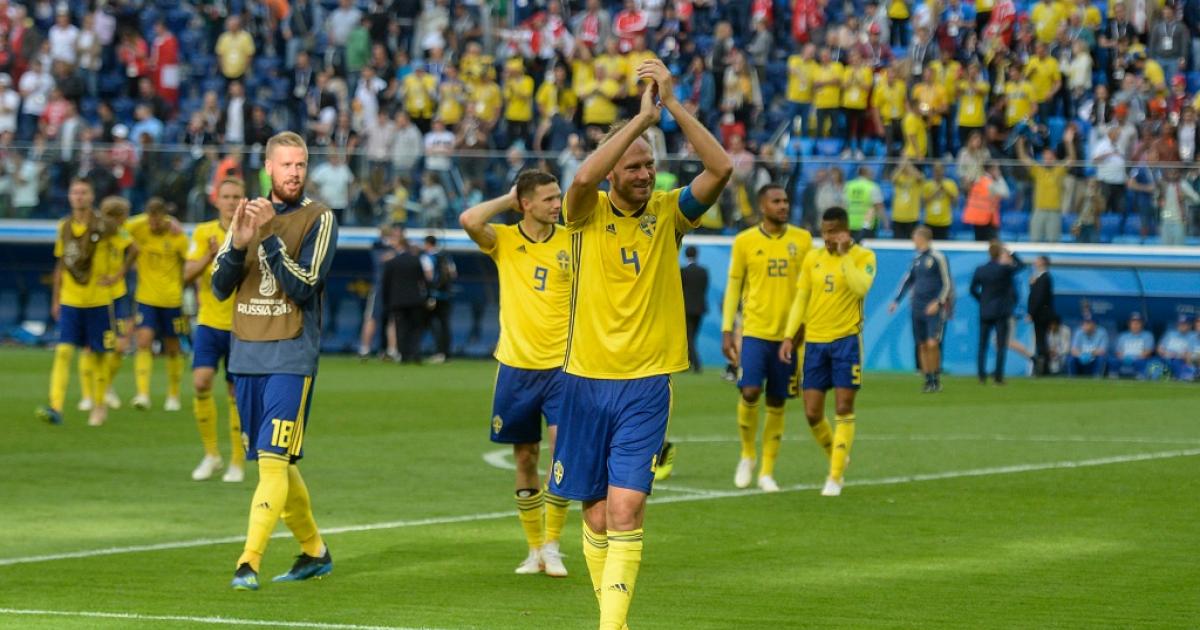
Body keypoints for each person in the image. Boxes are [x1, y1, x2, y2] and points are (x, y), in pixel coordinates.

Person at [550, 58, 731, 630]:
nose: (645, 174)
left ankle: (609, 627)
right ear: (613, 173)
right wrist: (636, 121)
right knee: (597, 513)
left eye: (650, 165)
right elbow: (580, 180)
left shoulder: (670, 213)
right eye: (634, 166)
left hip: (646, 385)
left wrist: (671, 108)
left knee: (627, 510)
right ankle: (615, 618)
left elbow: (721, 167)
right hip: (583, 380)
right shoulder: (586, 212)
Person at [211, 131, 338, 590]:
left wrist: (266, 239)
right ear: (269, 168)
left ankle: (249, 561)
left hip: (291, 355)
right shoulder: (244, 216)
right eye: (286, 165)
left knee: (270, 461)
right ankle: (314, 551)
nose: (295, 173)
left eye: (301, 165)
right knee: (279, 464)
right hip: (246, 355)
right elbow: (219, 287)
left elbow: (304, 285)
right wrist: (241, 242)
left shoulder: (319, 219)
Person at [459, 169, 572, 578]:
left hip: (563, 367)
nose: (557, 204)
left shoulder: (572, 241)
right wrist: (507, 200)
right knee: (526, 457)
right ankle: (534, 548)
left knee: (561, 452)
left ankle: (555, 544)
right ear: (526, 204)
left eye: (558, 197)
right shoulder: (505, 241)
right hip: (516, 368)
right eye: (547, 199)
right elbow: (470, 220)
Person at [721, 184, 814, 492]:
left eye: (786, 200)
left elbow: (807, 289)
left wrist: (803, 327)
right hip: (755, 332)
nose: (783, 206)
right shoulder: (745, 241)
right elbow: (734, 286)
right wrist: (726, 330)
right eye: (776, 201)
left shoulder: (802, 240)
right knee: (749, 391)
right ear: (762, 206)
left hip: (789, 336)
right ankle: (747, 455)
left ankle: (767, 471)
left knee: (777, 400)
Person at [778, 207, 877, 497]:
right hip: (815, 343)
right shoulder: (814, 258)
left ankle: (835, 476)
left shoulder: (864, 257)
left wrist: (845, 256)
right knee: (811, 413)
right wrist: (788, 336)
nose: (827, 237)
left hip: (846, 341)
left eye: (832, 231)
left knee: (844, 408)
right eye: (824, 231)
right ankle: (838, 454)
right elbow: (801, 299)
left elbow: (860, 289)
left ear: (845, 230)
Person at [36, 179, 123, 427]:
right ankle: (55, 407)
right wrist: (56, 298)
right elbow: (61, 263)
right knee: (63, 352)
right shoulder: (64, 227)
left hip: (98, 301)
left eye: (84, 192)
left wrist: (117, 275)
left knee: (99, 356)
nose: (79, 197)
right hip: (70, 301)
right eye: (75, 192)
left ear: (92, 196)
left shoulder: (105, 226)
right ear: (70, 197)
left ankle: (99, 406)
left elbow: (133, 246)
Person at [184, 178, 244, 483]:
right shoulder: (203, 232)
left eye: (237, 197)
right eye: (227, 197)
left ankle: (237, 461)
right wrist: (209, 255)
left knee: (235, 393)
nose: (232, 202)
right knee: (201, 382)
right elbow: (186, 275)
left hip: (241, 325)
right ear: (216, 200)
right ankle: (211, 454)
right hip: (209, 321)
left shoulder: (251, 233)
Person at [127, 198, 189, 411]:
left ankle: (173, 394)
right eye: (149, 219)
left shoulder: (177, 237)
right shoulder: (140, 229)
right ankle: (142, 394)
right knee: (143, 341)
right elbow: (121, 225)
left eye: (157, 219)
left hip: (172, 299)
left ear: (164, 216)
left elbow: (187, 264)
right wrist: (161, 218)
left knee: (173, 346)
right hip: (146, 298)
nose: (152, 224)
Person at [80, 197, 135, 414]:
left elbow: (135, 248)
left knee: (120, 347)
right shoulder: (94, 230)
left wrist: (118, 274)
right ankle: (88, 396)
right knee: (90, 346)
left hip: (117, 295)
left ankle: (106, 387)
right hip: (95, 295)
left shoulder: (122, 232)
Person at [888, 226, 952, 392]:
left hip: (933, 308)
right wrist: (896, 301)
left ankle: (936, 378)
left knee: (932, 343)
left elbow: (947, 283)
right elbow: (907, 281)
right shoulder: (916, 259)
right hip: (917, 306)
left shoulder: (938, 257)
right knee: (922, 345)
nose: (913, 241)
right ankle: (928, 380)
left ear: (922, 238)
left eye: (915, 237)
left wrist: (938, 302)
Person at [969, 242, 1023, 384]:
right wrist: (1011, 253)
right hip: (1001, 311)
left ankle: (981, 376)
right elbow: (1021, 265)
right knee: (1000, 345)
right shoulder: (1004, 269)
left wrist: (982, 300)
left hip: (985, 310)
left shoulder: (980, 269)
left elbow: (972, 289)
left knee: (982, 345)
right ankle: (998, 377)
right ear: (1000, 253)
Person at [382, 238, 427, 364]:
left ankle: (404, 355)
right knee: (416, 328)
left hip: (397, 301)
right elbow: (423, 281)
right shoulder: (416, 261)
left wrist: (387, 301)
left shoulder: (391, 262)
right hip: (415, 300)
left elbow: (386, 284)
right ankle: (416, 354)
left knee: (401, 328)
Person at [358, 225, 401, 359]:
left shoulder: (398, 248)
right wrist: (396, 250)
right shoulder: (378, 246)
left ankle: (392, 350)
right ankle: (365, 349)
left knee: (393, 320)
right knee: (372, 318)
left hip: (394, 287)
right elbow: (383, 259)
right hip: (379, 287)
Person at [420, 235, 457, 364]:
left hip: (433, 296)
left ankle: (438, 352)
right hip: (446, 295)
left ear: (427, 244)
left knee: (430, 324)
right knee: (445, 324)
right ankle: (446, 353)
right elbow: (453, 274)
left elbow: (428, 275)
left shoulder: (427, 257)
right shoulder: (446, 257)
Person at [681, 245, 709, 374]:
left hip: (686, 308)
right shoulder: (703, 271)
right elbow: (704, 289)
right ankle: (688, 362)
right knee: (693, 336)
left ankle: (696, 364)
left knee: (689, 337)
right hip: (700, 308)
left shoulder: (683, 271)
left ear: (685, 255)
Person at [962, 164, 1008, 241]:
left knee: (979, 246)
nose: (999, 172)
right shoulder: (990, 183)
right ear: (991, 170)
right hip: (988, 220)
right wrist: (999, 178)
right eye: (997, 169)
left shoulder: (978, 181)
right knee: (993, 247)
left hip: (978, 219)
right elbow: (1005, 193)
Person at [1027, 255, 1055, 376]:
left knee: (1041, 341)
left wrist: (1031, 313)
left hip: (1041, 315)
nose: (1035, 262)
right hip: (1041, 314)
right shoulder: (1041, 278)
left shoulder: (1044, 278)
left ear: (1043, 262)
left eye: (1037, 260)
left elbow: (1038, 298)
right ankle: (1044, 367)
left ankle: (1043, 368)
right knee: (1041, 341)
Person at [1109, 312, 1156, 379]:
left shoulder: (1148, 335)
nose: (1135, 325)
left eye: (1138, 323)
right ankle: (1113, 375)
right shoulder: (1123, 336)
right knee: (1112, 360)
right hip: (1123, 358)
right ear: (1129, 324)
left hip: (1140, 359)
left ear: (1142, 324)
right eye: (1133, 322)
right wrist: (1123, 357)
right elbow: (1118, 352)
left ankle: (1141, 376)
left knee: (1143, 362)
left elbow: (1148, 352)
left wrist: (1134, 358)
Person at [1158, 314, 1196, 381]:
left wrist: (1177, 355)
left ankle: (1180, 375)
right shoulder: (1170, 333)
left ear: (1190, 325)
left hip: (1180, 360)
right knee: (1154, 364)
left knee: (1179, 366)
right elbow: (1159, 348)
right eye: (1180, 324)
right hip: (1165, 359)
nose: (1182, 326)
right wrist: (1166, 353)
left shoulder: (1193, 336)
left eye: (1184, 324)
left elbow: (1191, 353)